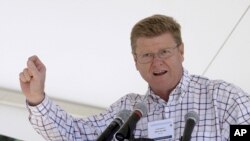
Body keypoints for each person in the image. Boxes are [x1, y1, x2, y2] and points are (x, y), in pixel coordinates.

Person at [19, 14, 250, 141]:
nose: (156, 62)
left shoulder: (223, 97)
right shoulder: (127, 110)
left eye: (164, 52)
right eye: (147, 55)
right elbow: (74, 134)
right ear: (135, 61)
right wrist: (37, 99)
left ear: (181, 52)